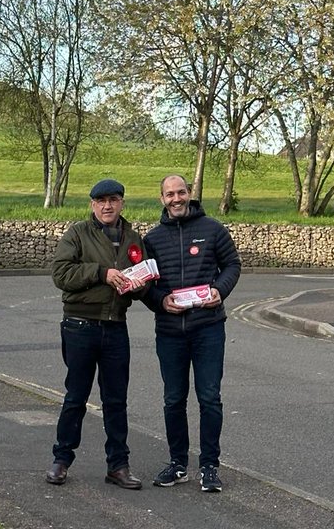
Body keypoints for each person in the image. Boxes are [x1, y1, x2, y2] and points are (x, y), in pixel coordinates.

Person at [46, 178, 147, 490]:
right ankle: (61, 460)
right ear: (92, 204)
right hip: (80, 325)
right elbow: (61, 275)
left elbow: (140, 283)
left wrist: (140, 285)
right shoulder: (77, 233)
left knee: (116, 400)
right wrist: (101, 273)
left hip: (116, 327)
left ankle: (118, 466)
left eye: (114, 199)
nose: (107, 206)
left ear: (122, 203)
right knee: (76, 396)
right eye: (101, 200)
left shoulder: (132, 238)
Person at [143, 174, 241, 494]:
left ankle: (210, 466)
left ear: (190, 193)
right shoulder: (153, 239)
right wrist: (160, 300)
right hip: (170, 332)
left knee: (209, 398)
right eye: (169, 194)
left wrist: (219, 290)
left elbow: (232, 265)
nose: (176, 198)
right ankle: (178, 464)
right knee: (173, 400)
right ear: (162, 199)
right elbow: (145, 285)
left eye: (181, 192)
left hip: (208, 328)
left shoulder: (212, 229)